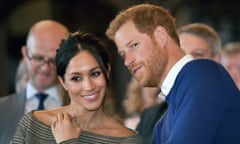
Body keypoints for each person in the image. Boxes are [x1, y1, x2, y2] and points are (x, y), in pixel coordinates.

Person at [106, 3, 240, 144]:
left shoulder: (202, 73)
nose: (127, 61)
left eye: (134, 45)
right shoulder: (162, 124)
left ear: (161, 36)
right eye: (122, 54)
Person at [11, 31, 143, 144]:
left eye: (95, 73)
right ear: (63, 82)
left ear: (107, 71)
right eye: (76, 78)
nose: (88, 86)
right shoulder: (32, 125)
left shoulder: (126, 140)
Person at [135, 22, 223, 144]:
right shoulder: (151, 116)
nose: (188, 61)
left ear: (216, 59)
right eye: (182, 54)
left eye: (197, 54)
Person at [0, 20, 69, 144]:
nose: (45, 68)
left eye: (54, 61)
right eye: (38, 58)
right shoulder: (2, 110)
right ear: (25, 53)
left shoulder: (82, 111)